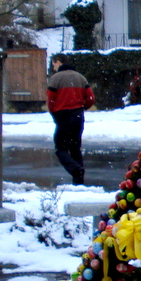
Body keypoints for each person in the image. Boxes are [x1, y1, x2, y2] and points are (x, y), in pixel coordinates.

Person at [47, 53, 95, 185]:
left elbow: (51, 100)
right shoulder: (80, 77)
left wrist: (54, 113)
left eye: (53, 63)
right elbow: (90, 98)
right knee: (75, 148)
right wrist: (82, 108)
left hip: (63, 115)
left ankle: (75, 170)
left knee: (60, 148)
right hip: (78, 115)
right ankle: (79, 180)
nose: (53, 67)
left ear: (58, 62)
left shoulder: (55, 78)